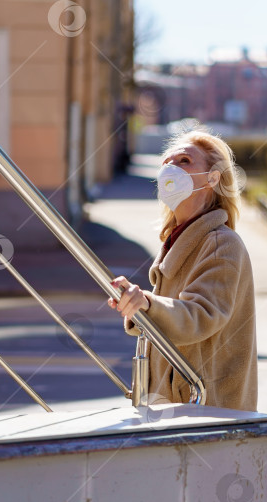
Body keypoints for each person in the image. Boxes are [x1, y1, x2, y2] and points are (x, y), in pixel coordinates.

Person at [108, 128, 257, 411]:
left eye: (185, 161)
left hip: (208, 412)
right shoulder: (178, 239)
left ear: (213, 178)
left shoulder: (220, 243)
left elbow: (201, 316)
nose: (170, 168)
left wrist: (148, 304)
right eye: (167, 161)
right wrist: (136, 305)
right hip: (177, 409)